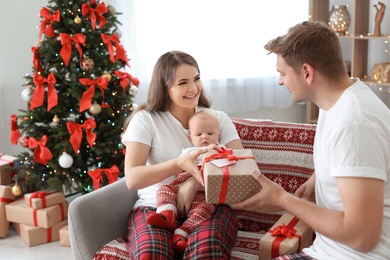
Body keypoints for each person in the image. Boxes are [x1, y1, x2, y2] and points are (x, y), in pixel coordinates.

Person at [233, 21, 390, 260]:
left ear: (307, 72)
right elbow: (347, 155)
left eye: (283, 73)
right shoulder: (336, 102)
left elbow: (362, 236)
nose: (280, 82)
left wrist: (283, 199)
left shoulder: (355, 123)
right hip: (326, 251)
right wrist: (318, 179)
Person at [121, 50, 243, 259]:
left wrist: (194, 183)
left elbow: (240, 166)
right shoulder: (145, 120)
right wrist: (180, 163)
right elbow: (133, 179)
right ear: (164, 87)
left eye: (196, 79)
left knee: (207, 251)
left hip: (210, 206)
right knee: (151, 254)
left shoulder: (218, 119)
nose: (193, 88)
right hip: (155, 207)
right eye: (183, 82)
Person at [146, 110, 221, 255]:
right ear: (190, 137)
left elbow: (227, 172)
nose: (204, 137)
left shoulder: (222, 151)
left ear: (218, 135)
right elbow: (178, 169)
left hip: (205, 194)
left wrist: (216, 152)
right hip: (181, 185)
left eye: (210, 134)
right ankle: (168, 215)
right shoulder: (187, 151)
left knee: (204, 211)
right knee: (163, 189)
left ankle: (182, 234)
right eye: (199, 135)